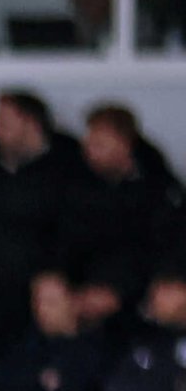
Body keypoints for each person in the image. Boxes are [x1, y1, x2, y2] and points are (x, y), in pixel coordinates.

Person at [0, 92, 82, 363]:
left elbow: (71, 233)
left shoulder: (69, 169)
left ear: (31, 124)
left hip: (46, 282)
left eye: (4, 122)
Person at [57, 105, 186, 321]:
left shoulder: (160, 189)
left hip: (140, 285)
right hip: (85, 283)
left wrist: (119, 289)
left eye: (100, 145)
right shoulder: (76, 186)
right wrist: (58, 278)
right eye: (89, 143)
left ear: (124, 144)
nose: (90, 152)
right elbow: (65, 240)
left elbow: (163, 247)